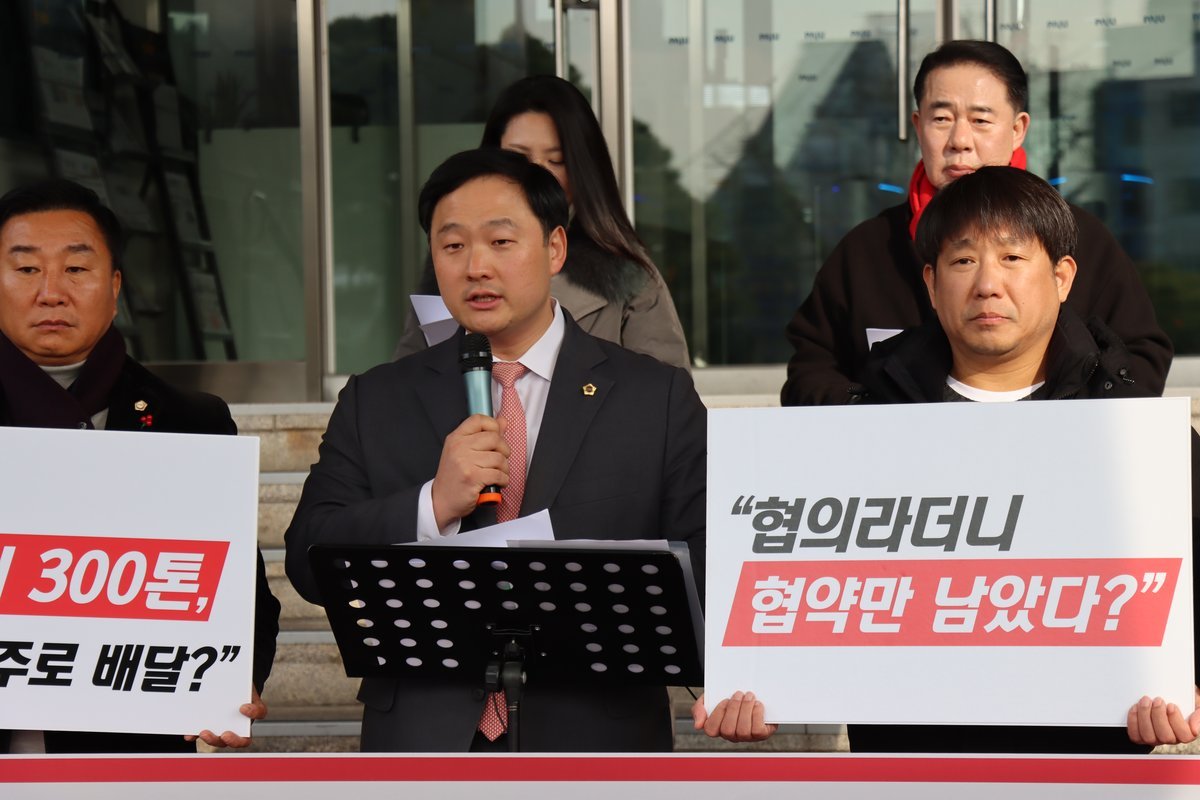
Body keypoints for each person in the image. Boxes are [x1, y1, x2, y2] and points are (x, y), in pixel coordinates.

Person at [697, 166, 1200, 753]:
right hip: (911, 772)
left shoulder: (1137, 437)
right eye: (964, 261)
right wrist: (755, 683)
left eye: (1012, 258)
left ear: (1062, 277)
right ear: (932, 284)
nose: (987, 284)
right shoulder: (855, 433)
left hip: (1094, 771)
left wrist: (1187, 690)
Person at [285, 148, 706, 752]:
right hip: (423, 743)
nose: (476, 266)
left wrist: (738, 678)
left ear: (555, 248)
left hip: (595, 743)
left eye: (501, 242)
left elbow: (709, 559)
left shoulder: (654, 397)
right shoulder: (376, 399)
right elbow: (308, 558)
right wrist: (432, 505)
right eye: (453, 245)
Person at [0, 178, 281, 753]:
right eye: (26, 269)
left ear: (115, 287)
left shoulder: (191, 421)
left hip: (126, 757)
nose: (51, 292)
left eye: (76, 269)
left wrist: (230, 680)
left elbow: (240, 594)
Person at [781, 40, 1172, 406]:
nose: (960, 140)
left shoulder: (1077, 238)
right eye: (941, 118)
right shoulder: (866, 250)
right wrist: (876, 413)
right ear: (917, 126)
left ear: (1017, 130)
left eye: (981, 120)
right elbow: (811, 371)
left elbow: (1136, 360)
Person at [395, 74, 689, 370]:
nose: (536, 174)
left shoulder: (628, 277)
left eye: (556, 161)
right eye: (517, 158)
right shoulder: (458, 264)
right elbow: (407, 382)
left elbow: (662, 392)